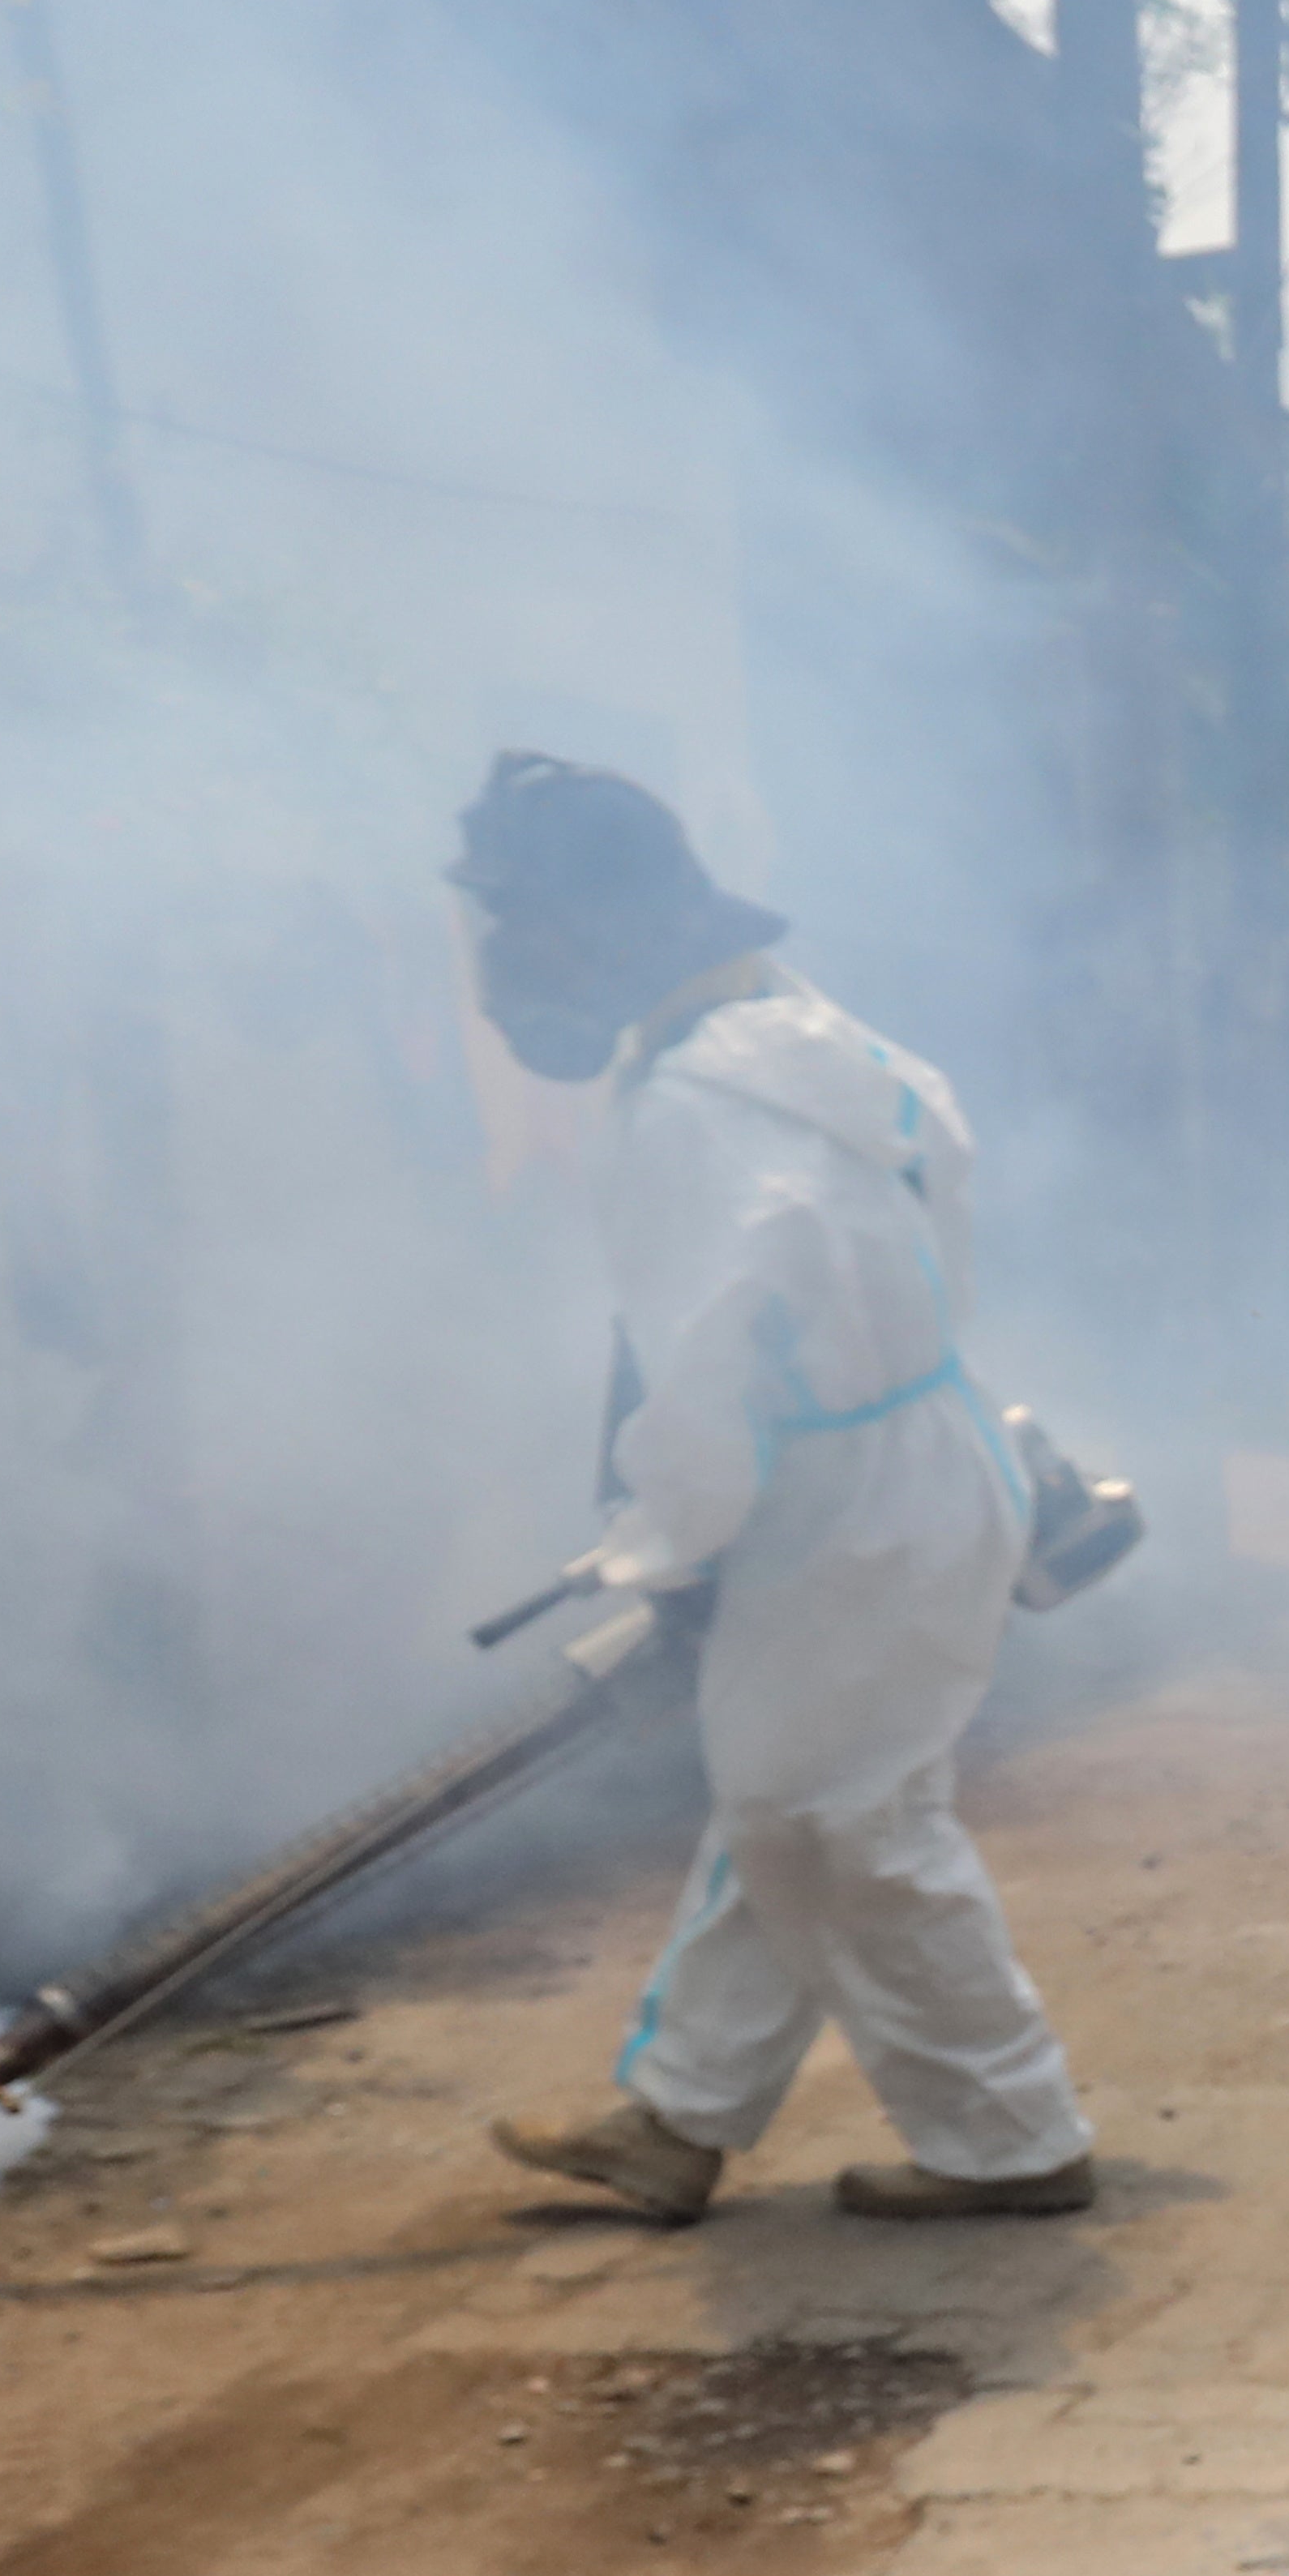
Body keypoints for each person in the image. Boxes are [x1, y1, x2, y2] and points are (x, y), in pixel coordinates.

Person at [455, 754, 1103, 2225]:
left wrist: (669, 1547)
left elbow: (704, 1362)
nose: (508, 971)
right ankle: (675, 2123)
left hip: (843, 1497)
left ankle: (1017, 2142)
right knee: (790, 1807)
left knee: (844, 1820)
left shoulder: (693, 1108)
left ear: (607, 934)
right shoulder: (800, 1034)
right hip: (907, 1455)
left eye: (531, 932)